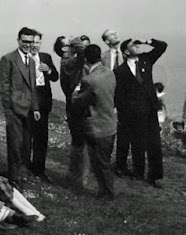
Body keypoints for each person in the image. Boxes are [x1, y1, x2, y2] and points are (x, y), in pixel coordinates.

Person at [114, 38, 167, 188]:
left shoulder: (146, 59)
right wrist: (124, 113)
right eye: (133, 45)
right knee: (138, 144)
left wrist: (147, 41)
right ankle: (138, 173)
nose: (137, 47)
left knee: (154, 144)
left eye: (137, 45)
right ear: (125, 51)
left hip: (150, 110)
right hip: (134, 113)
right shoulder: (120, 71)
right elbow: (119, 95)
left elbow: (162, 46)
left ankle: (154, 176)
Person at [71, 44, 117, 200]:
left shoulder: (89, 80)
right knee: (106, 162)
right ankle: (106, 192)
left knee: (100, 164)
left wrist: (77, 89)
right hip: (110, 124)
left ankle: (106, 194)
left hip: (96, 128)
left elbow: (77, 101)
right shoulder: (110, 74)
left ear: (86, 60)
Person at [0, 27, 40, 186]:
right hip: (14, 109)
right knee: (15, 144)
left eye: (30, 42)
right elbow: (3, 85)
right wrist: (8, 108)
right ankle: (14, 177)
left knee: (26, 144)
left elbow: (33, 87)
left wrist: (35, 108)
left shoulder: (32, 60)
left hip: (28, 109)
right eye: (25, 41)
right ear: (18, 41)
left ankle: (23, 174)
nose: (28, 45)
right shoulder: (8, 59)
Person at [53, 35, 91, 192]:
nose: (74, 46)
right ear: (64, 49)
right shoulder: (68, 62)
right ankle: (80, 179)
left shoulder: (69, 62)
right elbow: (83, 53)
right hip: (78, 106)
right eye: (70, 45)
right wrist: (76, 40)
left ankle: (74, 176)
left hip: (75, 106)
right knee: (82, 143)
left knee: (78, 142)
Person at [101, 29, 132, 177]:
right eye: (112, 34)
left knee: (124, 131)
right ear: (107, 41)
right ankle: (104, 162)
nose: (116, 35)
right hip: (109, 96)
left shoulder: (127, 54)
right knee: (108, 130)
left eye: (116, 33)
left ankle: (121, 164)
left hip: (125, 97)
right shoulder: (103, 57)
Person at [28, 30, 59, 182]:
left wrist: (49, 70)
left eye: (37, 42)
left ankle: (39, 169)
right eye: (32, 42)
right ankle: (25, 168)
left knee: (41, 138)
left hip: (44, 101)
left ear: (40, 43)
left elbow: (55, 77)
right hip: (28, 101)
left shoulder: (46, 57)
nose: (34, 45)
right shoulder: (22, 58)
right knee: (27, 136)